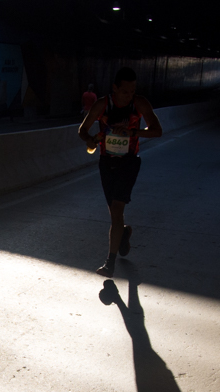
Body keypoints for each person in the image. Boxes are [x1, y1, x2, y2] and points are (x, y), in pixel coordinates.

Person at [78, 67, 163, 277]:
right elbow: (82, 129)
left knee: (117, 209)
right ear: (115, 88)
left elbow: (157, 130)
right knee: (115, 213)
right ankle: (123, 232)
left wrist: (134, 132)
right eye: (125, 91)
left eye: (133, 90)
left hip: (129, 162)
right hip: (107, 163)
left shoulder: (139, 103)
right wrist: (90, 140)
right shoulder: (102, 105)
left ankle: (110, 262)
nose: (129, 94)